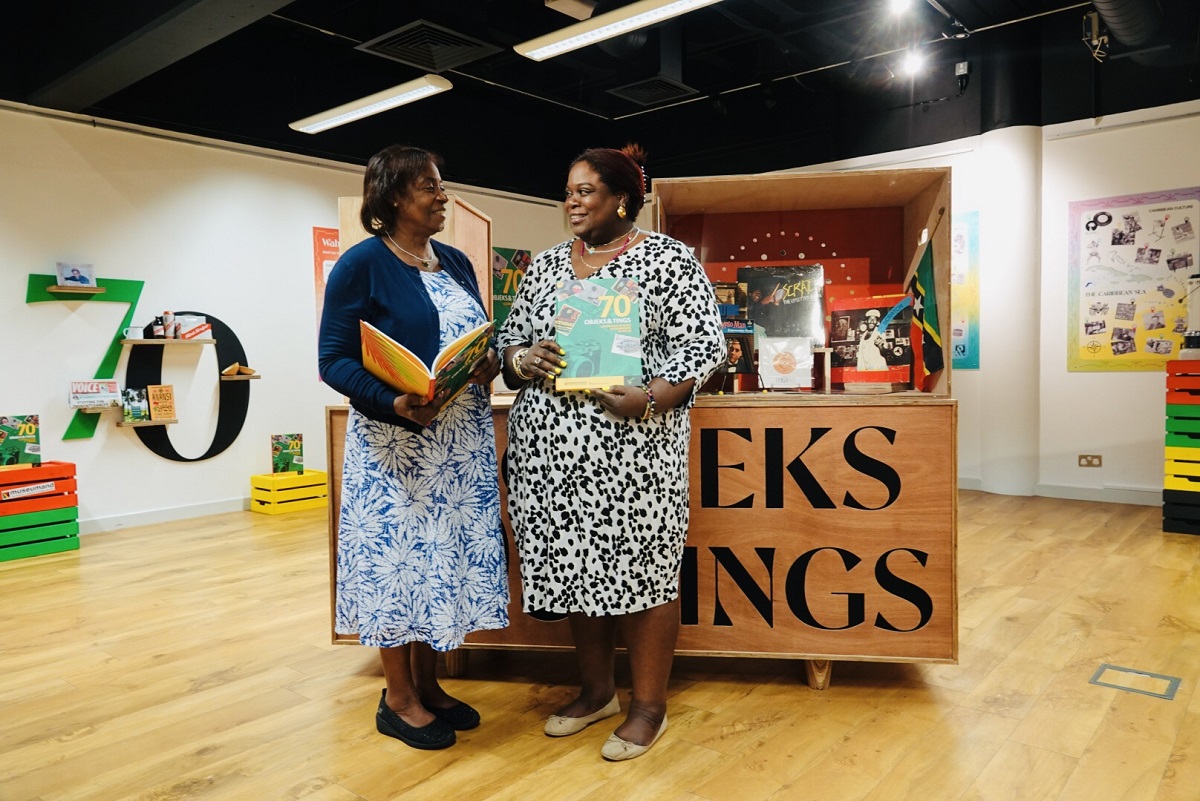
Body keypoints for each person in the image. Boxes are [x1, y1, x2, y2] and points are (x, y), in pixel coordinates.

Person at [497, 144, 724, 761]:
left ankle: (648, 706)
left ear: (621, 198)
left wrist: (650, 398)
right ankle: (597, 692)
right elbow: (508, 344)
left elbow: (703, 350)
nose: (571, 201)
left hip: (635, 453)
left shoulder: (668, 260)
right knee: (576, 569)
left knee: (645, 573)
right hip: (550, 454)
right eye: (568, 191)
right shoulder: (546, 265)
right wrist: (523, 358)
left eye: (586, 190)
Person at [317, 144, 508, 751]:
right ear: (394, 196)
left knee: (438, 563)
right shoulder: (360, 265)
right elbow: (333, 360)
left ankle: (428, 684)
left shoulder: (454, 261)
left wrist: (486, 362)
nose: (442, 196)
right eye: (430, 186)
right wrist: (394, 401)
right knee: (397, 567)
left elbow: (476, 336)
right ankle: (397, 697)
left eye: (441, 185)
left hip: (458, 443)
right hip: (395, 447)